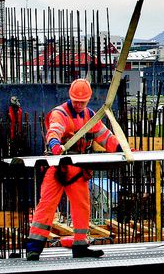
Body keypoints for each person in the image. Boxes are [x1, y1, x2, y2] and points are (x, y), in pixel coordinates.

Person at [26, 79, 123, 261]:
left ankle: (80, 245)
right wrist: (54, 144)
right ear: (70, 97)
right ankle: (34, 248)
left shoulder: (90, 116)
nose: (79, 105)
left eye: (82, 102)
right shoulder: (60, 113)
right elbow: (54, 131)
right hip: (58, 168)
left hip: (77, 169)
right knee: (46, 206)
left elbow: (105, 137)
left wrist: (123, 149)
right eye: (76, 101)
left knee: (82, 206)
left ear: (88, 100)